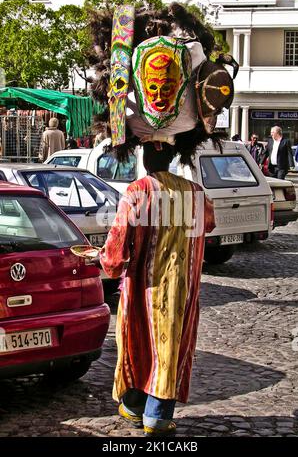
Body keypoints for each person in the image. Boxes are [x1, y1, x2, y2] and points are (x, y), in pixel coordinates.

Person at [99, 142, 215, 436]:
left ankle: (145, 411)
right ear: (173, 157)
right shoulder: (196, 193)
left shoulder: (138, 191)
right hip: (183, 288)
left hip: (144, 288)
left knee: (140, 343)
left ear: (146, 159)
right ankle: (147, 409)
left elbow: (117, 244)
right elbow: (210, 223)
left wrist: (106, 262)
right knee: (171, 347)